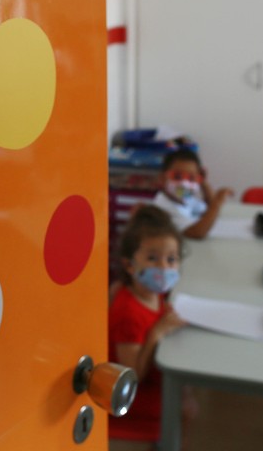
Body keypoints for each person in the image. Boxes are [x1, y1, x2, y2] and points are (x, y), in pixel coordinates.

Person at [109, 205, 191, 451]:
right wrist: (157, 332)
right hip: (133, 403)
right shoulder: (128, 312)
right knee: (185, 407)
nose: (164, 267)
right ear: (130, 265)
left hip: (154, 383)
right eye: (153, 258)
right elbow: (132, 377)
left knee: (188, 402)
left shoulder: (155, 294)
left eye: (171, 259)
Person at [152, 148, 233, 239]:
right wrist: (217, 202)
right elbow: (197, 233)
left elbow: (208, 211)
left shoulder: (186, 198)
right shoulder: (163, 207)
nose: (184, 183)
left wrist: (203, 182)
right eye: (177, 176)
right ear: (162, 178)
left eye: (191, 178)